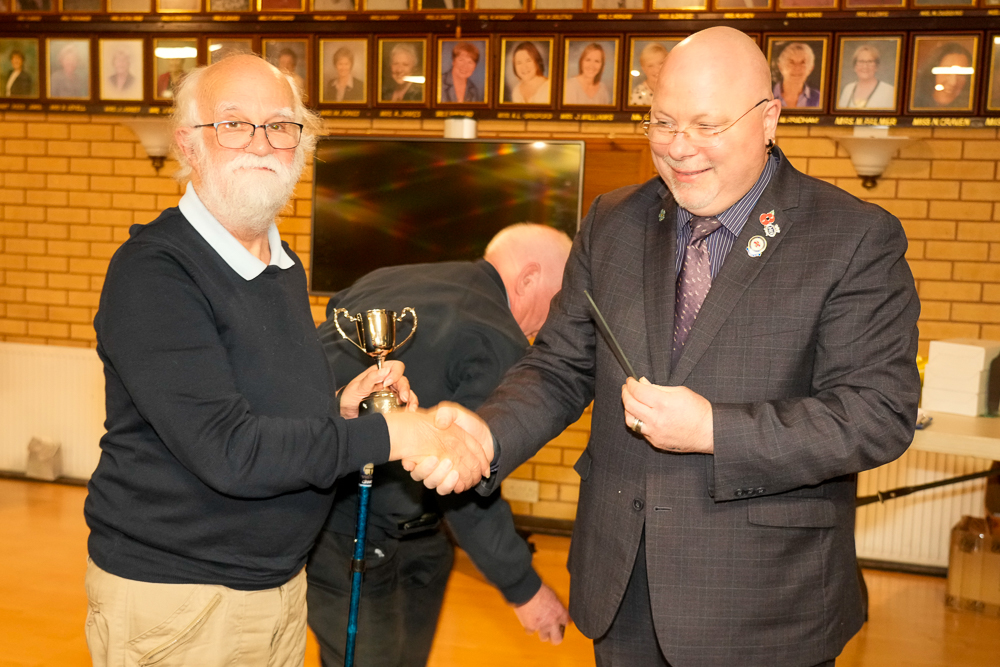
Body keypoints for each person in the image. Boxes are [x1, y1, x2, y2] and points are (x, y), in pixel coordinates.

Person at [439, 26, 920, 666]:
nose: (680, 148)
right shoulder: (612, 222)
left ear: (769, 118)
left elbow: (876, 415)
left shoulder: (853, 238)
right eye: (662, 123)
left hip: (764, 602)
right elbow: (558, 367)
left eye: (706, 126)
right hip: (623, 587)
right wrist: (485, 436)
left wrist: (715, 430)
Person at [83, 54, 489, 667]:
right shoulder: (154, 273)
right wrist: (388, 434)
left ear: (302, 145)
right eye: (233, 123)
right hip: (181, 600)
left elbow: (256, 410)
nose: (260, 142)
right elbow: (229, 451)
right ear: (188, 145)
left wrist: (343, 412)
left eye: (280, 124)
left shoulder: (282, 265)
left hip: (276, 589)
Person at [308, 224, 574, 667]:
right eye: (560, 300)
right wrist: (523, 588)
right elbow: (463, 477)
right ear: (528, 279)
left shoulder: (383, 278)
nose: (557, 320)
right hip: (362, 540)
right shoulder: (499, 335)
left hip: (331, 527)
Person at [911, 42, 974, 110]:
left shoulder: (970, 106)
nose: (953, 82)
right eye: (946, 71)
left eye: (961, 74)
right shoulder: (912, 100)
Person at [837, 44, 895, 110]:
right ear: (855, 66)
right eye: (861, 61)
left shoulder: (889, 91)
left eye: (870, 61)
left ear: (876, 66)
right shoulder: (848, 89)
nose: (865, 66)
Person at [772, 41, 821, 109]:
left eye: (803, 62)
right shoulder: (765, 95)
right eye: (791, 62)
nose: (797, 68)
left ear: (811, 68)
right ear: (780, 67)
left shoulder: (819, 98)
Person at [628, 42, 668, 107]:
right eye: (650, 66)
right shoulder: (637, 95)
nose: (657, 69)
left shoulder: (675, 89)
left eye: (661, 63)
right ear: (643, 68)